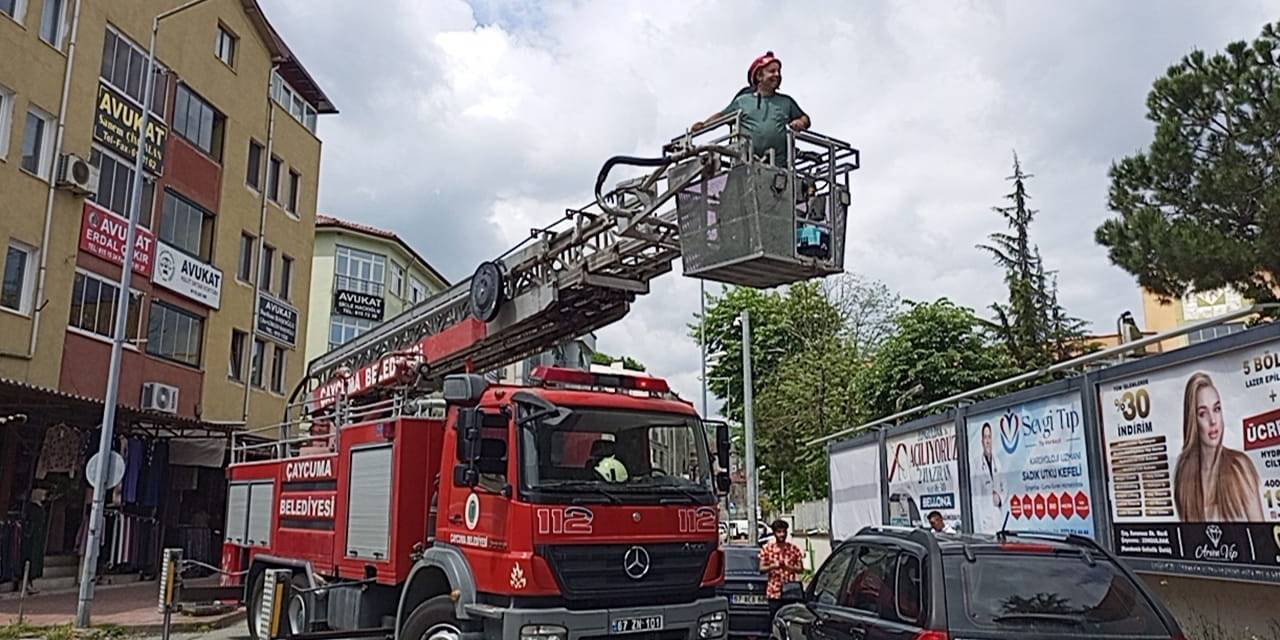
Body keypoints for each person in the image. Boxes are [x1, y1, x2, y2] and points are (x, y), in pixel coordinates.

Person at [692, 51, 810, 167]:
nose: (777, 75)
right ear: (759, 76)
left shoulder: (786, 102)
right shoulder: (743, 101)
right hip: (746, 165)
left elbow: (805, 118)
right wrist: (704, 125)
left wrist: (801, 122)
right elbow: (722, 116)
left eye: (778, 71)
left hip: (779, 167)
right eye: (772, 71)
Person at [1173, 372, 1263, 521]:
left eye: (1217, 409)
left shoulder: (1239, 467)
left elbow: (1262, 535)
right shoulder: (1184, 475)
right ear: (1193, 422)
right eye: (1203, 413)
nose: (1213, 420)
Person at [759, 519, 804, 619]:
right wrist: (774, 566)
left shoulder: (793, 549)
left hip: (790, 591)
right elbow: (761, 568)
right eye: (779, 532)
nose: (782, 534)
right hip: (774, 592)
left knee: (789, 619)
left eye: (784, 532)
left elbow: (801, 569)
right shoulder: (767, 549)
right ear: (774, 533)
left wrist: (788, 566)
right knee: (774, 618)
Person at [976, 422, 1005, 531]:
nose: (987, 441)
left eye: (989, 437)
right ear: (982, 441)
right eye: (985, 437)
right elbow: (977, 499)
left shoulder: (997, 462)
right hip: (985, 522)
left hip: (998, 517)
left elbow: (1004, 486)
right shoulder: (978, 465)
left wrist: (1000, 498)